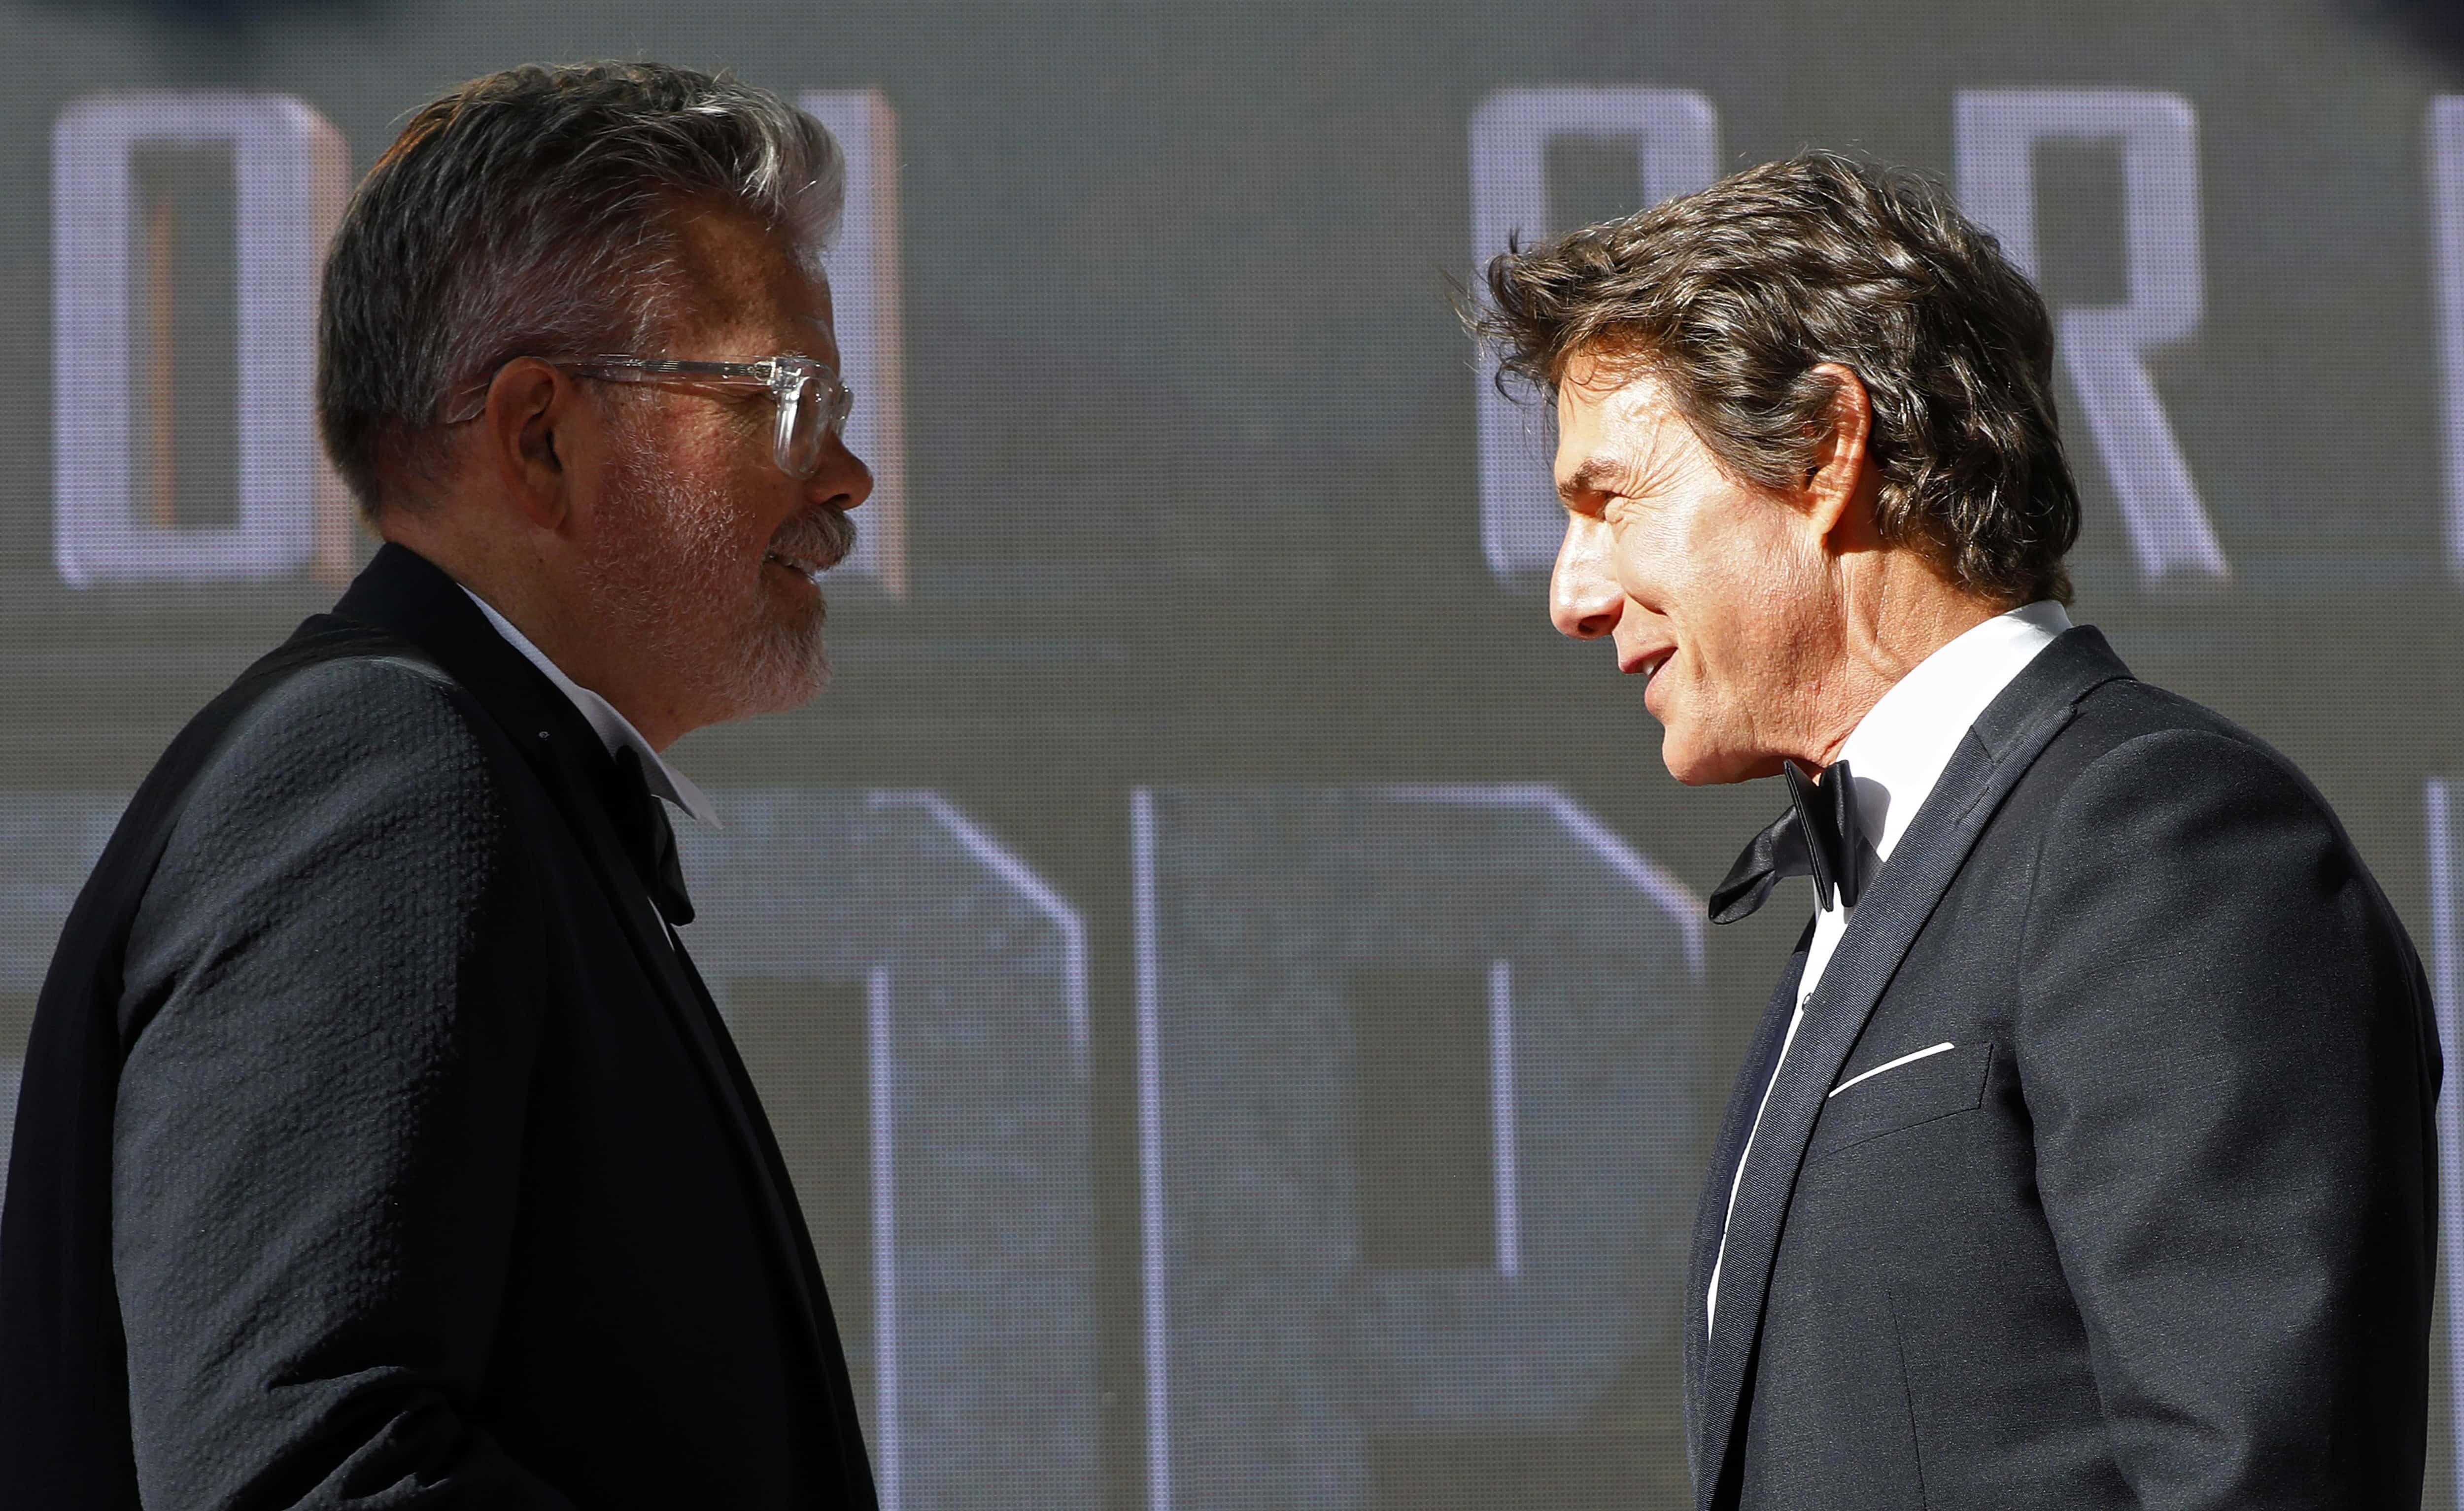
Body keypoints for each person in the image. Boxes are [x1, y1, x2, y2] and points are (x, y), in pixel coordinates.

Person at [1480, 152, 2439, 1508]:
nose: (1574, 594)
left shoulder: (2160, 840)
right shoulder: (1890, 876)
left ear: (1825, 449)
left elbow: (2259, 1473)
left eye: (1608, 500)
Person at [0, 62, 879, 1509]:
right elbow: (304, 1471)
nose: (845, 475)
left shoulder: (483, 775)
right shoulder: (384, 774)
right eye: (785, 399)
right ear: (541, 437)